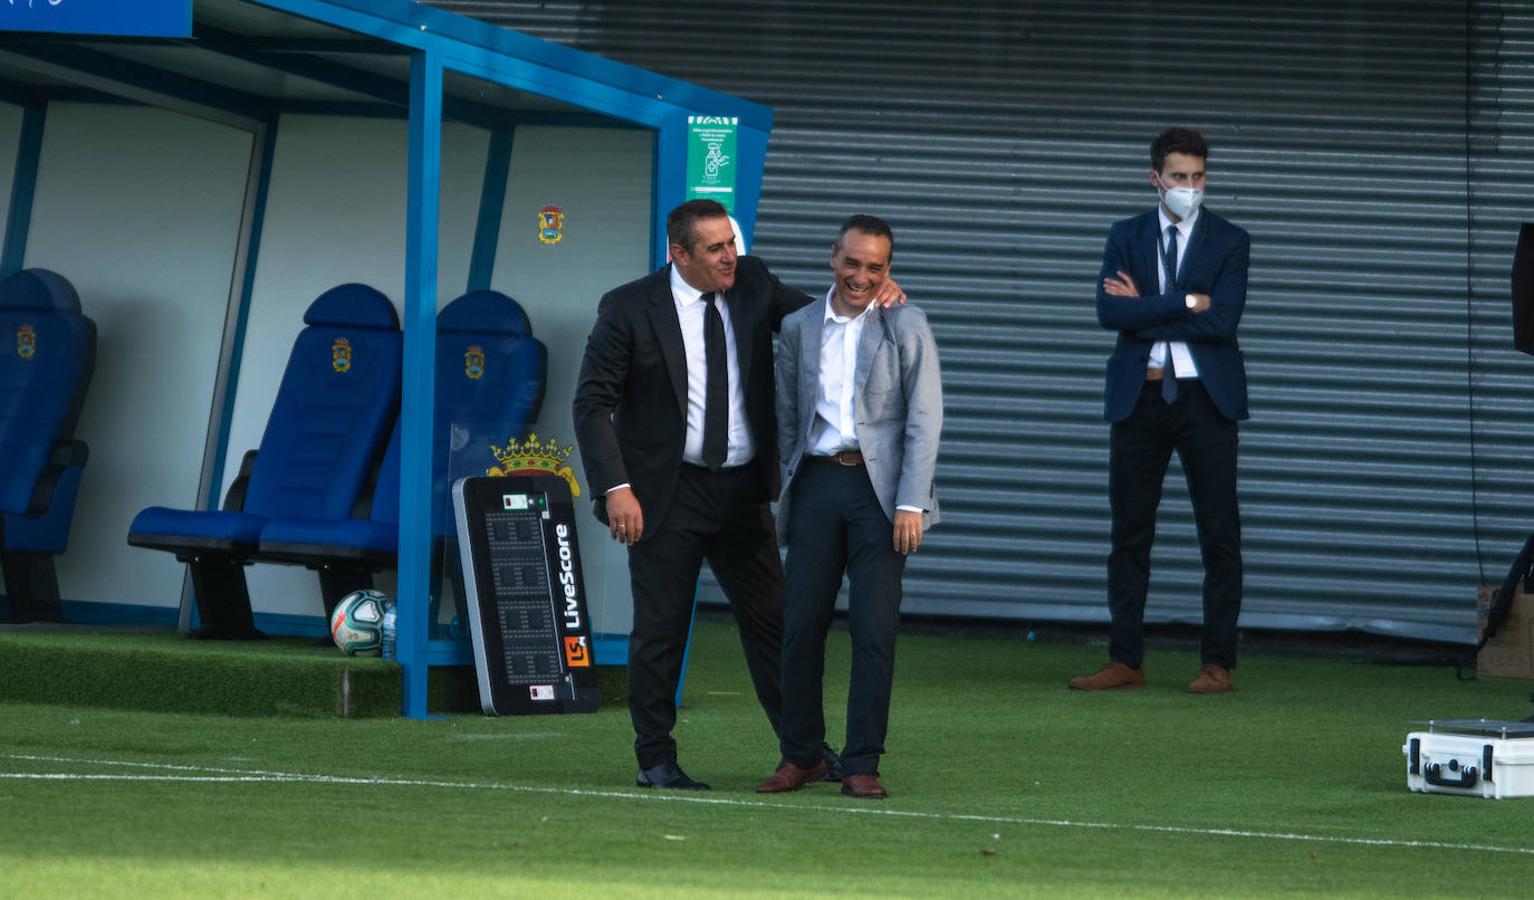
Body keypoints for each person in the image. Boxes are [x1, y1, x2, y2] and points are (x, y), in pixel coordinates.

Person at [572, 199, 902, 790]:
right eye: (716, 248)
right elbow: (592, 404)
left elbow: (817, 319)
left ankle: (802, 750)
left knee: (777, 623)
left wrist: (867, 291)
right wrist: (616, 488)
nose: (731, 256)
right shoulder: (627, 308)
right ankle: (655, 758)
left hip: (743, 493)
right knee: (661, 629)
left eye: (732, 243)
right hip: (663, 495)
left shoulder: (751, 281)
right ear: (680, 254)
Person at [755, 215, 942, 800]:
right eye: (852, 262)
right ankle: (801, 756)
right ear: (832, 257)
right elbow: (787, 414)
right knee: (800, 627)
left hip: (881, 495)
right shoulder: (797, 325)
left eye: (875, 267)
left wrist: (912, 501)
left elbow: (924, 416)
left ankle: (862, 762)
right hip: (814, 486)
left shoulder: (904, 322)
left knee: (873, 630)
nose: (861, 276)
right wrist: (781, 491)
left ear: (889, 270)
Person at [1069, 128, 1250, 695]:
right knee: (1129, 534)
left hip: (1206, 400)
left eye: (1198, 177)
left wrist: (1144, 309)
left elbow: (1223, 323)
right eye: (1178, 177)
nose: (1189, 188)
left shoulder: (1230, 240)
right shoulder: (1124, 236)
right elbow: (1107, 313)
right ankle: (1126, 659)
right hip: (1139, 397)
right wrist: (1185, 301)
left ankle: (1217, 662)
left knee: (1219, 535)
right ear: (1156, 179)